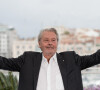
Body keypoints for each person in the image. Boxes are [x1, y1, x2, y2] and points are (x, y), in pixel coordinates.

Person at [0, 28, 100, 90]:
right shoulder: (27, 59)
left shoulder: (71, 59)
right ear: (39, 44)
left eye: (53, 40)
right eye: (46, 40)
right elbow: (4, 63)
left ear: (57, 43)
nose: (50, 43)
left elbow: (95, 58)